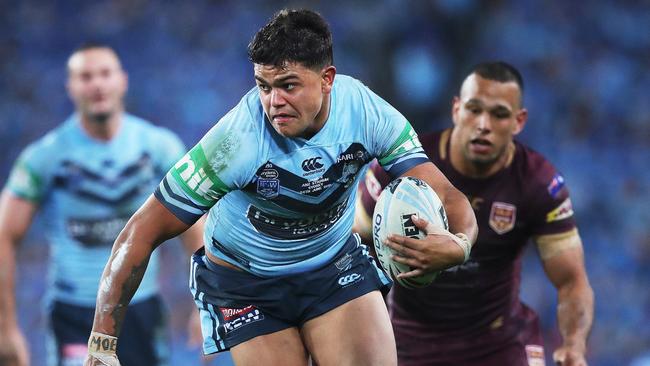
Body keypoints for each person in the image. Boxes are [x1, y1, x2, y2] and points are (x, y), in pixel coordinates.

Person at [82, 9, 478, 366]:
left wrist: (460, 244)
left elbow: (442, 190)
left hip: (331, 265)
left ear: (327, 80)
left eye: (288, 85)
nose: (274, 102)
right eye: (264, 85)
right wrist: (102, 344)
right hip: (247, 283)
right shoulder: (234, 143)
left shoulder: (366, 113)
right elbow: (141, 231)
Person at [354, 61, 594, 366]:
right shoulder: (401, 164)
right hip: (407, 344)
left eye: (499, 114)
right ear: (456, 110)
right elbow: (351, 240)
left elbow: (572, 280)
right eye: (474, 109)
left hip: (499, 344)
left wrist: (574, 344)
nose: (483, 124)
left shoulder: (538, 183)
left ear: (519, 121)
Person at [0, 43, 203, 366]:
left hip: (141, 309)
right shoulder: (46, 157)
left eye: (105, 74)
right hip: (75, 313)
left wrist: (202, 305)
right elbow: (4, 234)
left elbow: (196, 227)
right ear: (71, 86)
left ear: (122, 80)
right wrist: (5, 327)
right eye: (85, 76)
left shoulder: (158, 147)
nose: (97, 84)